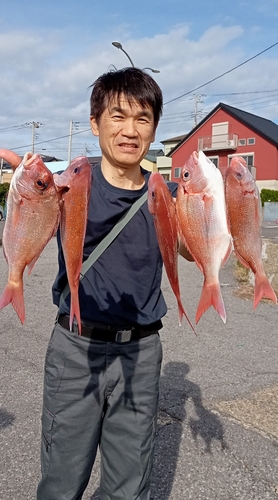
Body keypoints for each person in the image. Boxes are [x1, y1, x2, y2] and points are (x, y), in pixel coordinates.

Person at [37, 67, 193, 500]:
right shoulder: (68, 185)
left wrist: (223, 218)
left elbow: (188, 248)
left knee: (129, 483)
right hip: (75, 347)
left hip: (141, 350)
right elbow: (30, 212)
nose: (130, 130)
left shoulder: (164, 192)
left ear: (154, 128)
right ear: (95, 123)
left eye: (142, 118)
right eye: (118, 116)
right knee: (61, 479)